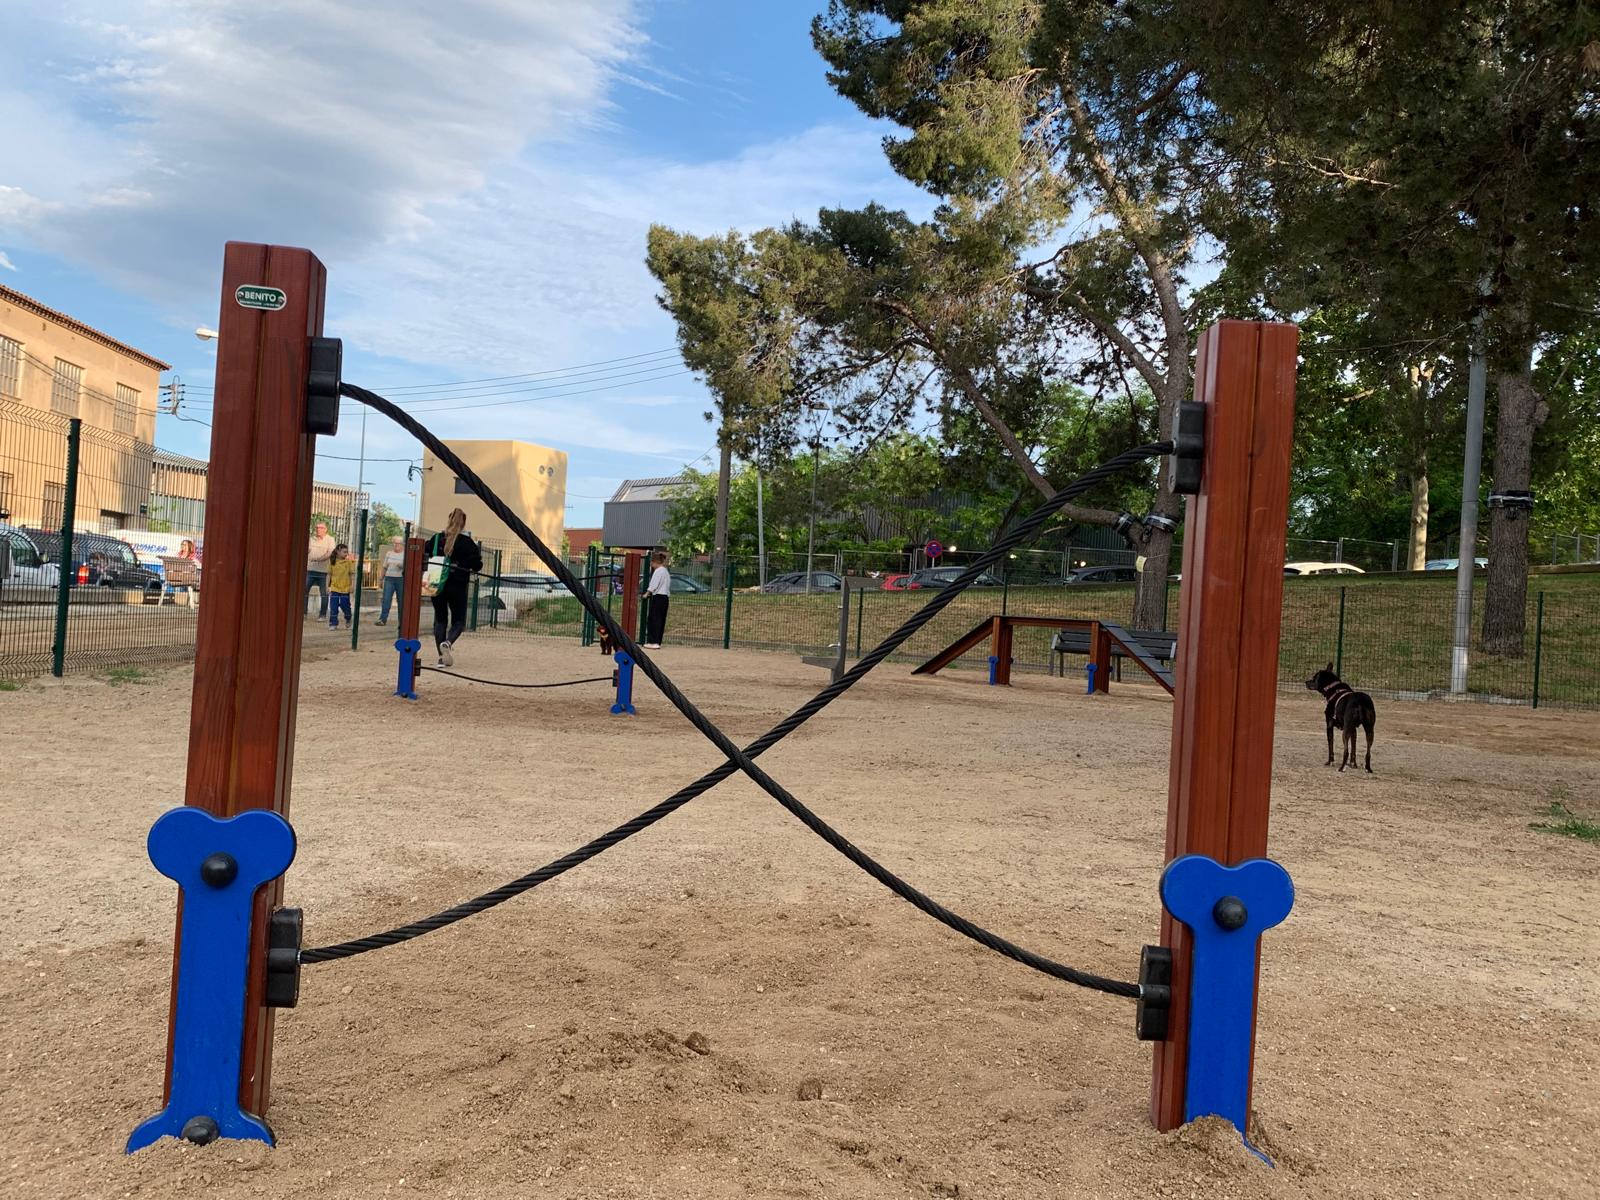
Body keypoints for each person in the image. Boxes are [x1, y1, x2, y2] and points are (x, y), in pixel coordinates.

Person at [424, 509, 482, 666]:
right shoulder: (466, 543)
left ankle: (441, 658)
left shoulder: (436, 539)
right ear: (463, 524)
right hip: (458, 585)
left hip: (437, 584)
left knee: (440, 620)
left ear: (448, 520)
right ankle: (448, 643)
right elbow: (477, 564)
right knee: (458, 621)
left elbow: (425, 551)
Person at [374, 535, 406, 626]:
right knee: (386, 599)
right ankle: (382, 619)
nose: (396, 545)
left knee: (401, 601)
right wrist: (381, 579)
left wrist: (402, 566)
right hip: (389, 578)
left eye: (398, 543)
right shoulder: (389, 553)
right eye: (394, 543)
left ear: (402, 544)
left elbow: (408, 567)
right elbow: (384, 567)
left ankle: (402, 621)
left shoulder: (405, 554)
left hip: (400, 579)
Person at [305, 521, 335, 618]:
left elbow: (330, 553)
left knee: (324, 593)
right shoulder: (311, 539)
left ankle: (322, 615)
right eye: (317, 527)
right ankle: (303, 613)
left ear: (326, 529)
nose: (318, 529)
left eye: (321, 528)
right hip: (310, 570)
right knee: (304, 592)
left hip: (324, 571)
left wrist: (318, 559)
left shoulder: (330, 539)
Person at [644, 550, 671, 648]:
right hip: (665, 597)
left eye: (652, 562)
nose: (651, 564)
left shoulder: (658, 571)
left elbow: (654, 584)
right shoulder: (665, 571)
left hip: (658, 597)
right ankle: (657, 641)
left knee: (653, 619)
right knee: (661, 619)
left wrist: (647, 593)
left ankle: (653, 641)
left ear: (655, 562)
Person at [327, 544, 355, 629]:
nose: (346, 554)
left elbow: (352, 575)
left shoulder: (349, 562)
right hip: (334, 588)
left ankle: (348, 618)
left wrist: (352, 586)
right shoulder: (332, 562)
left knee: (345, 605)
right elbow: (329, 575)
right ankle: (333, 623)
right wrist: (327, 586)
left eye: (347, 552)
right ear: (338, 552)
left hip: (345, 589)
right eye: (344, 552)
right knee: (333, 606)